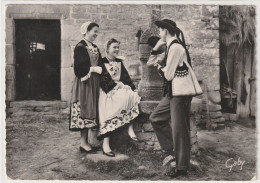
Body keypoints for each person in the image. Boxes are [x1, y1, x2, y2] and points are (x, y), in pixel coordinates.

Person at [148, 19, 202, 178]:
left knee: (180, 130)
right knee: (156, 118)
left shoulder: (176, 47)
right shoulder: (169, 47)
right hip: (172, 92)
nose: (158, 33)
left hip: (181, 94)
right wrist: (156, 49)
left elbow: (169, 74)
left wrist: (161, 66)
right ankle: (172, 151)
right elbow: (150, 63)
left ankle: (182, 168)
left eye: (160, 30)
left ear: (165, 30)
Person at [98, 38, 141, 157]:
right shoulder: (101, 62)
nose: (117, 50)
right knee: (110, 106)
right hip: (107, 90)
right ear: (107, 49)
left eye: (118, 47)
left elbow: (125, 77)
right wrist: (113, 87)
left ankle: (129, 127)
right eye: (114, 47)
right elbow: (102, 79)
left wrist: (132, 87)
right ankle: (106, 143)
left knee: (132, 95)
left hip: (119, 88)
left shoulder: (119, 61)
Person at [69, 22, 103, 154]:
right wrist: (93, 69)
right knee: (84, 108)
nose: (96, 34)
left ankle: (89, 141)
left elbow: (100, 63)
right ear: (86, 31)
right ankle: (83, 143)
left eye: (97, 32)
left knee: (92, 109)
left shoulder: (94, 47)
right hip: (84, 83)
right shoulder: (80, 47)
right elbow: (79, 68)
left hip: (94, 82)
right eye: (94, 31)